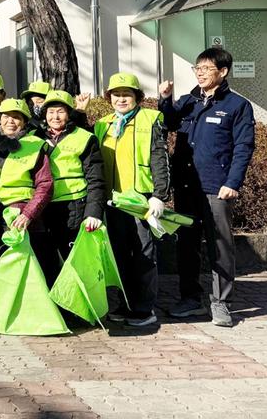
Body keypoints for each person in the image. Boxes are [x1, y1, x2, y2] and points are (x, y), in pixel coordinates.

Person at [160, 48, 256, 327]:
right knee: (187, 244)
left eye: (206, 68)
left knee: (220, 245)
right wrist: (165, 100)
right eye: (197, 68)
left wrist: (233, 183)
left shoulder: (238, 106)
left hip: (217, 186)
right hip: (187, 185)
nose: (200, 73)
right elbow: (168, 123)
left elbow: (243, 147)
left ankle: (222, 303)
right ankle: (190, 298)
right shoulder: (188, 101)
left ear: (223, 72)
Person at [94, 72, 171, 328]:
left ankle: (144, 308)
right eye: (116, 94)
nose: (121, 99)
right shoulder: (103, 124)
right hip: (113, 202)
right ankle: (123, 305)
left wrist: (160, 196)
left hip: (141, 201)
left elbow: (161, 159)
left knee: (143, 254)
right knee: (118, 255)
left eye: (127, 94)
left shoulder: (151, 119)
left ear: (137, 97)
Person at [35, 90, 106, 277]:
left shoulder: (85, 138)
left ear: (69, 113)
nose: (55, 116)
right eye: (50, 112)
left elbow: (96, 178)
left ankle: (78, 305)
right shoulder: (34, 138)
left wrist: (93, 212)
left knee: (74, 263)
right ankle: (53, 306)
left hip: (74, 207)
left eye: (60, 111)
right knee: (46, 263)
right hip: (42, 208)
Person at [0, 99, 56, 289]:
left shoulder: (35, 145)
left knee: (28, 273)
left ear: (25, 122)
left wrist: (28, 214)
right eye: (6, 116)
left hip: (21, 216)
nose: (10, 121)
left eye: (16, 117)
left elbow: (45, 185)